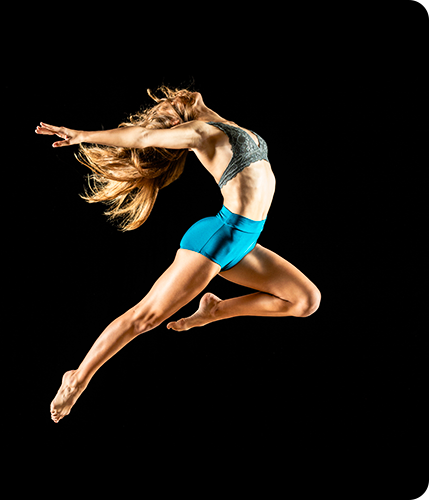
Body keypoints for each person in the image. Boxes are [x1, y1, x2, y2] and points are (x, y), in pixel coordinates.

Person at [36, 87, 321, 423]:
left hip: (243, 242)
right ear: (175, 123)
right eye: (169, 108)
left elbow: (193, 106)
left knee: (305, 300)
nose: (172, 99)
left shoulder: (219, 122)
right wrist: (81, 135)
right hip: (217, 238)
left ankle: (214, 310)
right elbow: (141, 137)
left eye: (167, 100)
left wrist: (194, 103)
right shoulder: (201, 134)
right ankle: (78, 377)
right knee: (146, 317)